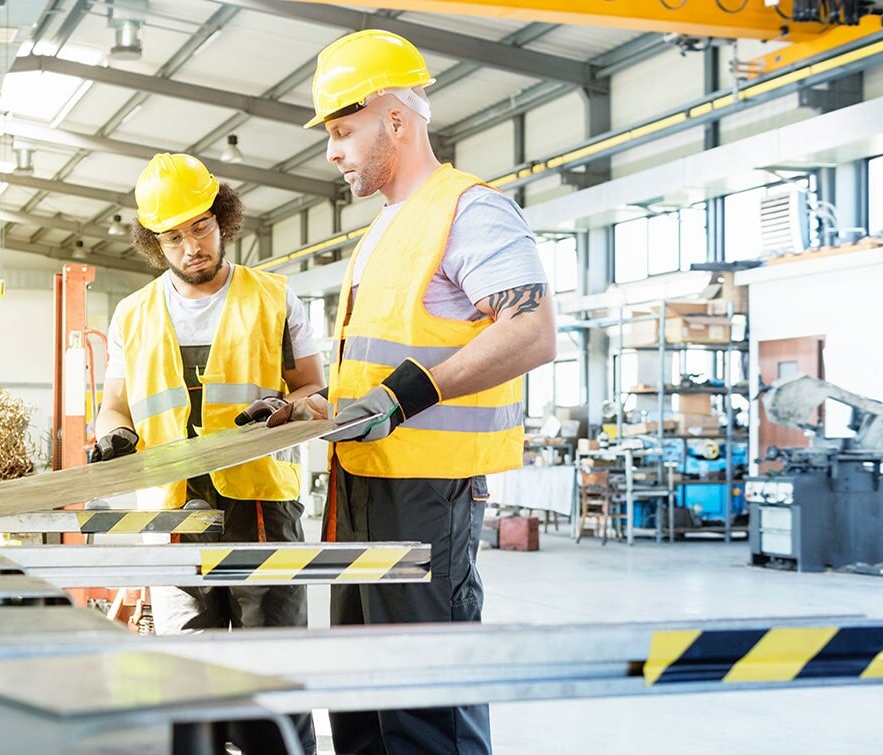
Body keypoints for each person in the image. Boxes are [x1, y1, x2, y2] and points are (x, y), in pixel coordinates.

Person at [280, 29, 557, 755]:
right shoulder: (379, 233)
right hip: (359, 490)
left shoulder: (468, 209)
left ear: (396, 121)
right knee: (362, 701)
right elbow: (377, 366)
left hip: (427, 497)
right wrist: (313, 406)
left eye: (343, 131)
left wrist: (403, 397)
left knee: (425, 702)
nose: (332, 152)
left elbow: (531, 332)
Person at [90, 152, 324, 755]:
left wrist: (288, 406)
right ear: (154, 242)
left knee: (266, 666)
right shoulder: (132, 314)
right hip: (171, 511)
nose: (191, 245)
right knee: (184, 666)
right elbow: (114, 404)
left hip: (262, 504)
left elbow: (314, 388)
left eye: (200, 226)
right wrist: (112, 434)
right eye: (173, 236)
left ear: (222, 218)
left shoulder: (275, 298)